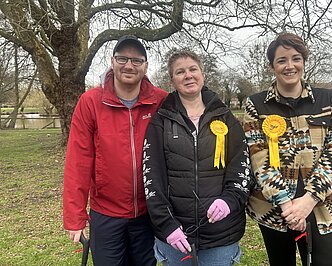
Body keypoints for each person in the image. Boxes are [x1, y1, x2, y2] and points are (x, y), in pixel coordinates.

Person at [244, 32, 332, 266]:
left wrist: (308, 200)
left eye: (296, 58)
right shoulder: (256, 104)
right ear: (272, 66)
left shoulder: (328, 99)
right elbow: (259, 158)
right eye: (281, 60)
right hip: (274, 208)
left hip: (321, 205)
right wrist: (287, 205)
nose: (289, 66)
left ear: (304, 61)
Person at [63, 35, 168, 266]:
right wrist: (74, 215)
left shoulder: (161, 101)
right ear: (112, 62)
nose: (129, 65)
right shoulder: (91, 101)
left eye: (136, 60)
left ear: (146, 66)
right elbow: (78, 160)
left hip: (148, 212)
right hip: (105, 213)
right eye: (122, 58)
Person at [142, 50, 252, 265]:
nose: (188, 75)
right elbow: (151, 178)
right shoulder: (160, 122)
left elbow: (241, 166)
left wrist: (229, 200)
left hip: (221, 234)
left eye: (193, 69)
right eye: (180, 72)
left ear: (203, 74)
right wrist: (167, 225)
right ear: (172, 80)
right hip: (176, 236)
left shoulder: (225, 117)